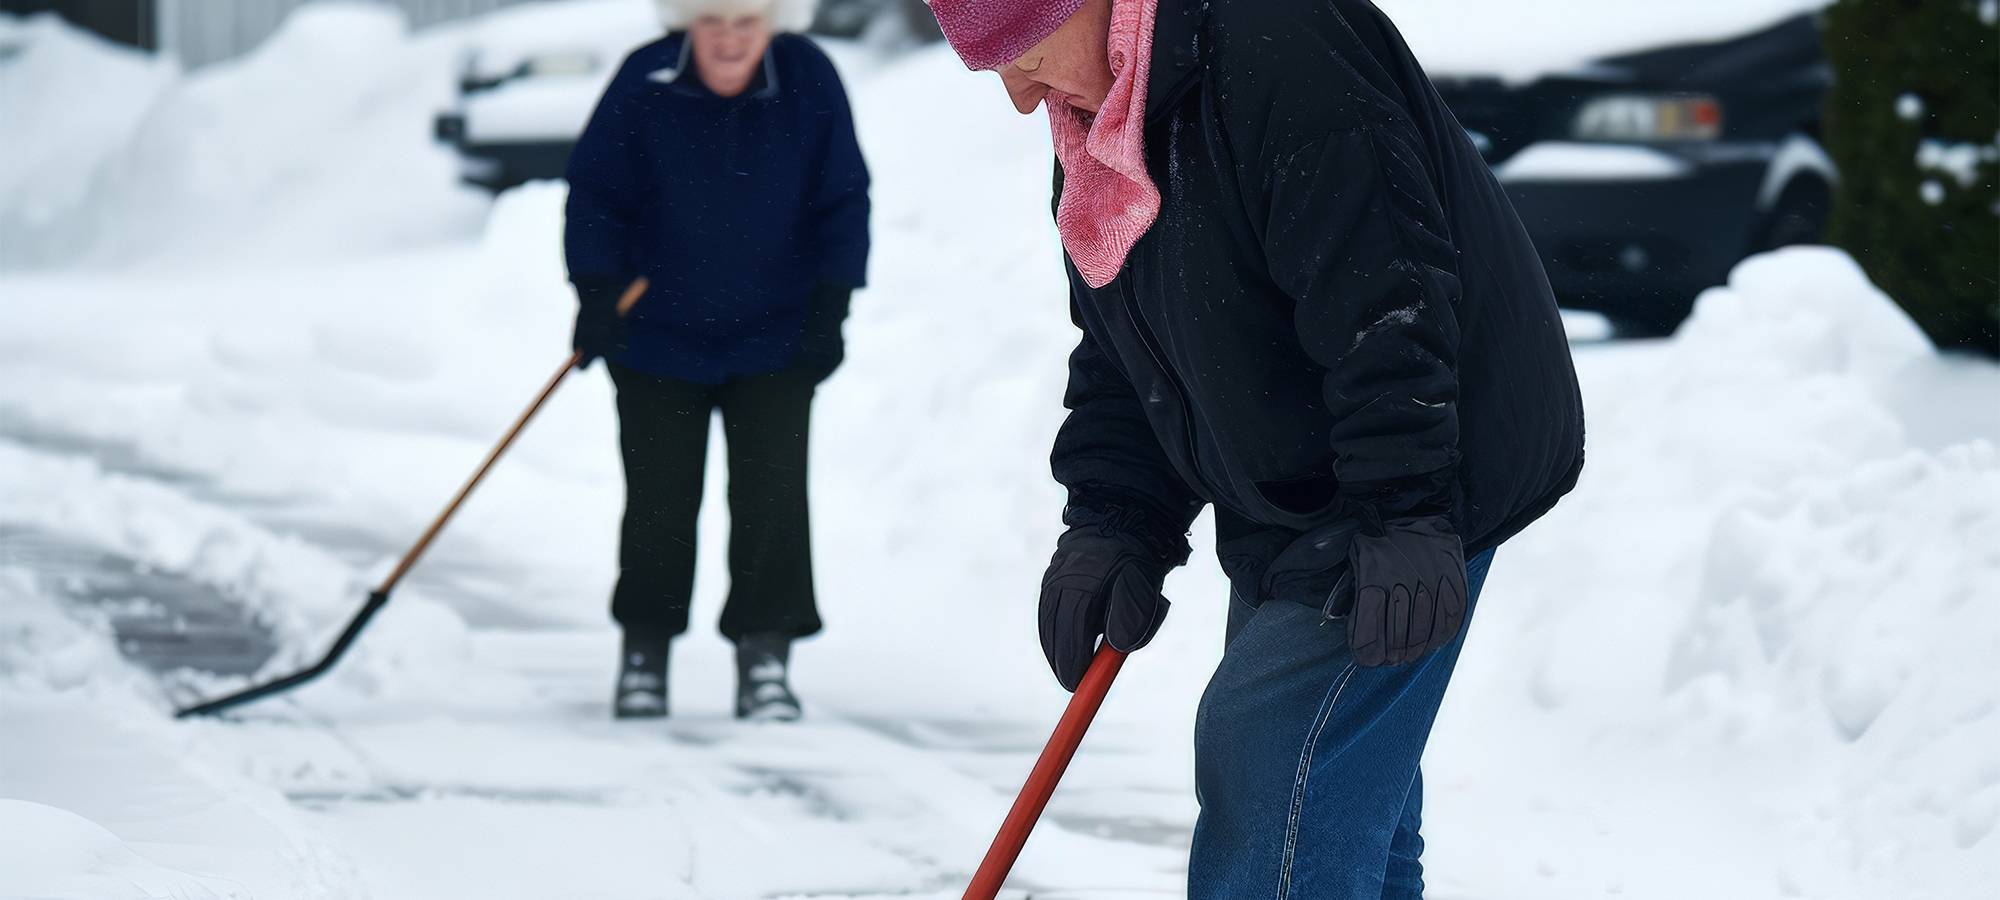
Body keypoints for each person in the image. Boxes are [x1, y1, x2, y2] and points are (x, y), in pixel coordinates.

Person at [927, 0, 1585, 895]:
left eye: (1027, 55)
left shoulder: (1279, 46)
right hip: (1299, 484)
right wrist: (1115, 522)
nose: (1019, 97)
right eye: (992, 70)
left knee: (1269, 763)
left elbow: (1384, 292)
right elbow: (1131, 349)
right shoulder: (1101, 131)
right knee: (1331, 810)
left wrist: (1404, 514)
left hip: (1417, 464)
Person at [563, 0, 868, 722]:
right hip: (657, 335)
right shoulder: (646, 79)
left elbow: (843, 198)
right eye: (714, 20)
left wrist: (832, 307)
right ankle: (646, 651)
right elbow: (596, 193)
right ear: (686, 24)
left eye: (747, 21)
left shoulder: (807, 77)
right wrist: (596, 292)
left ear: (774, 24)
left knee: (771, 501)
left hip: (777, 335)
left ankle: (765, 655)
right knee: (660, 503)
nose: (730, 37)